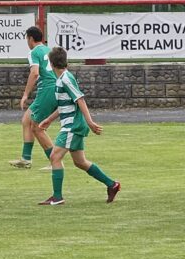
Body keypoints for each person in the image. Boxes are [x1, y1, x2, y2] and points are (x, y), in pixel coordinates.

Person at [38, 46, 120, 205]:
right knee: (80, 162)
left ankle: (57, 197)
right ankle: (112, 185)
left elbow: (79, 99)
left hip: (72, 126)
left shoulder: (65, 79)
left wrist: (90, 122)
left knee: (55, 157)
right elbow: (66, 105)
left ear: (51, 63)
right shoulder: (62, 79)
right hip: (73, 125)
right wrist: (49, 119)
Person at [9, 26, 56, 170]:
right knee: (26, 120)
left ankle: (55, 161)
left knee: (37, 128)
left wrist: (25, 94)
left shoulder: (33, 52)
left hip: (47, 90)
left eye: (26, 39)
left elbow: (35, 73)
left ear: (30, 38)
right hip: (54, 88)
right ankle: (26, 159)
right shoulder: (49, 50)